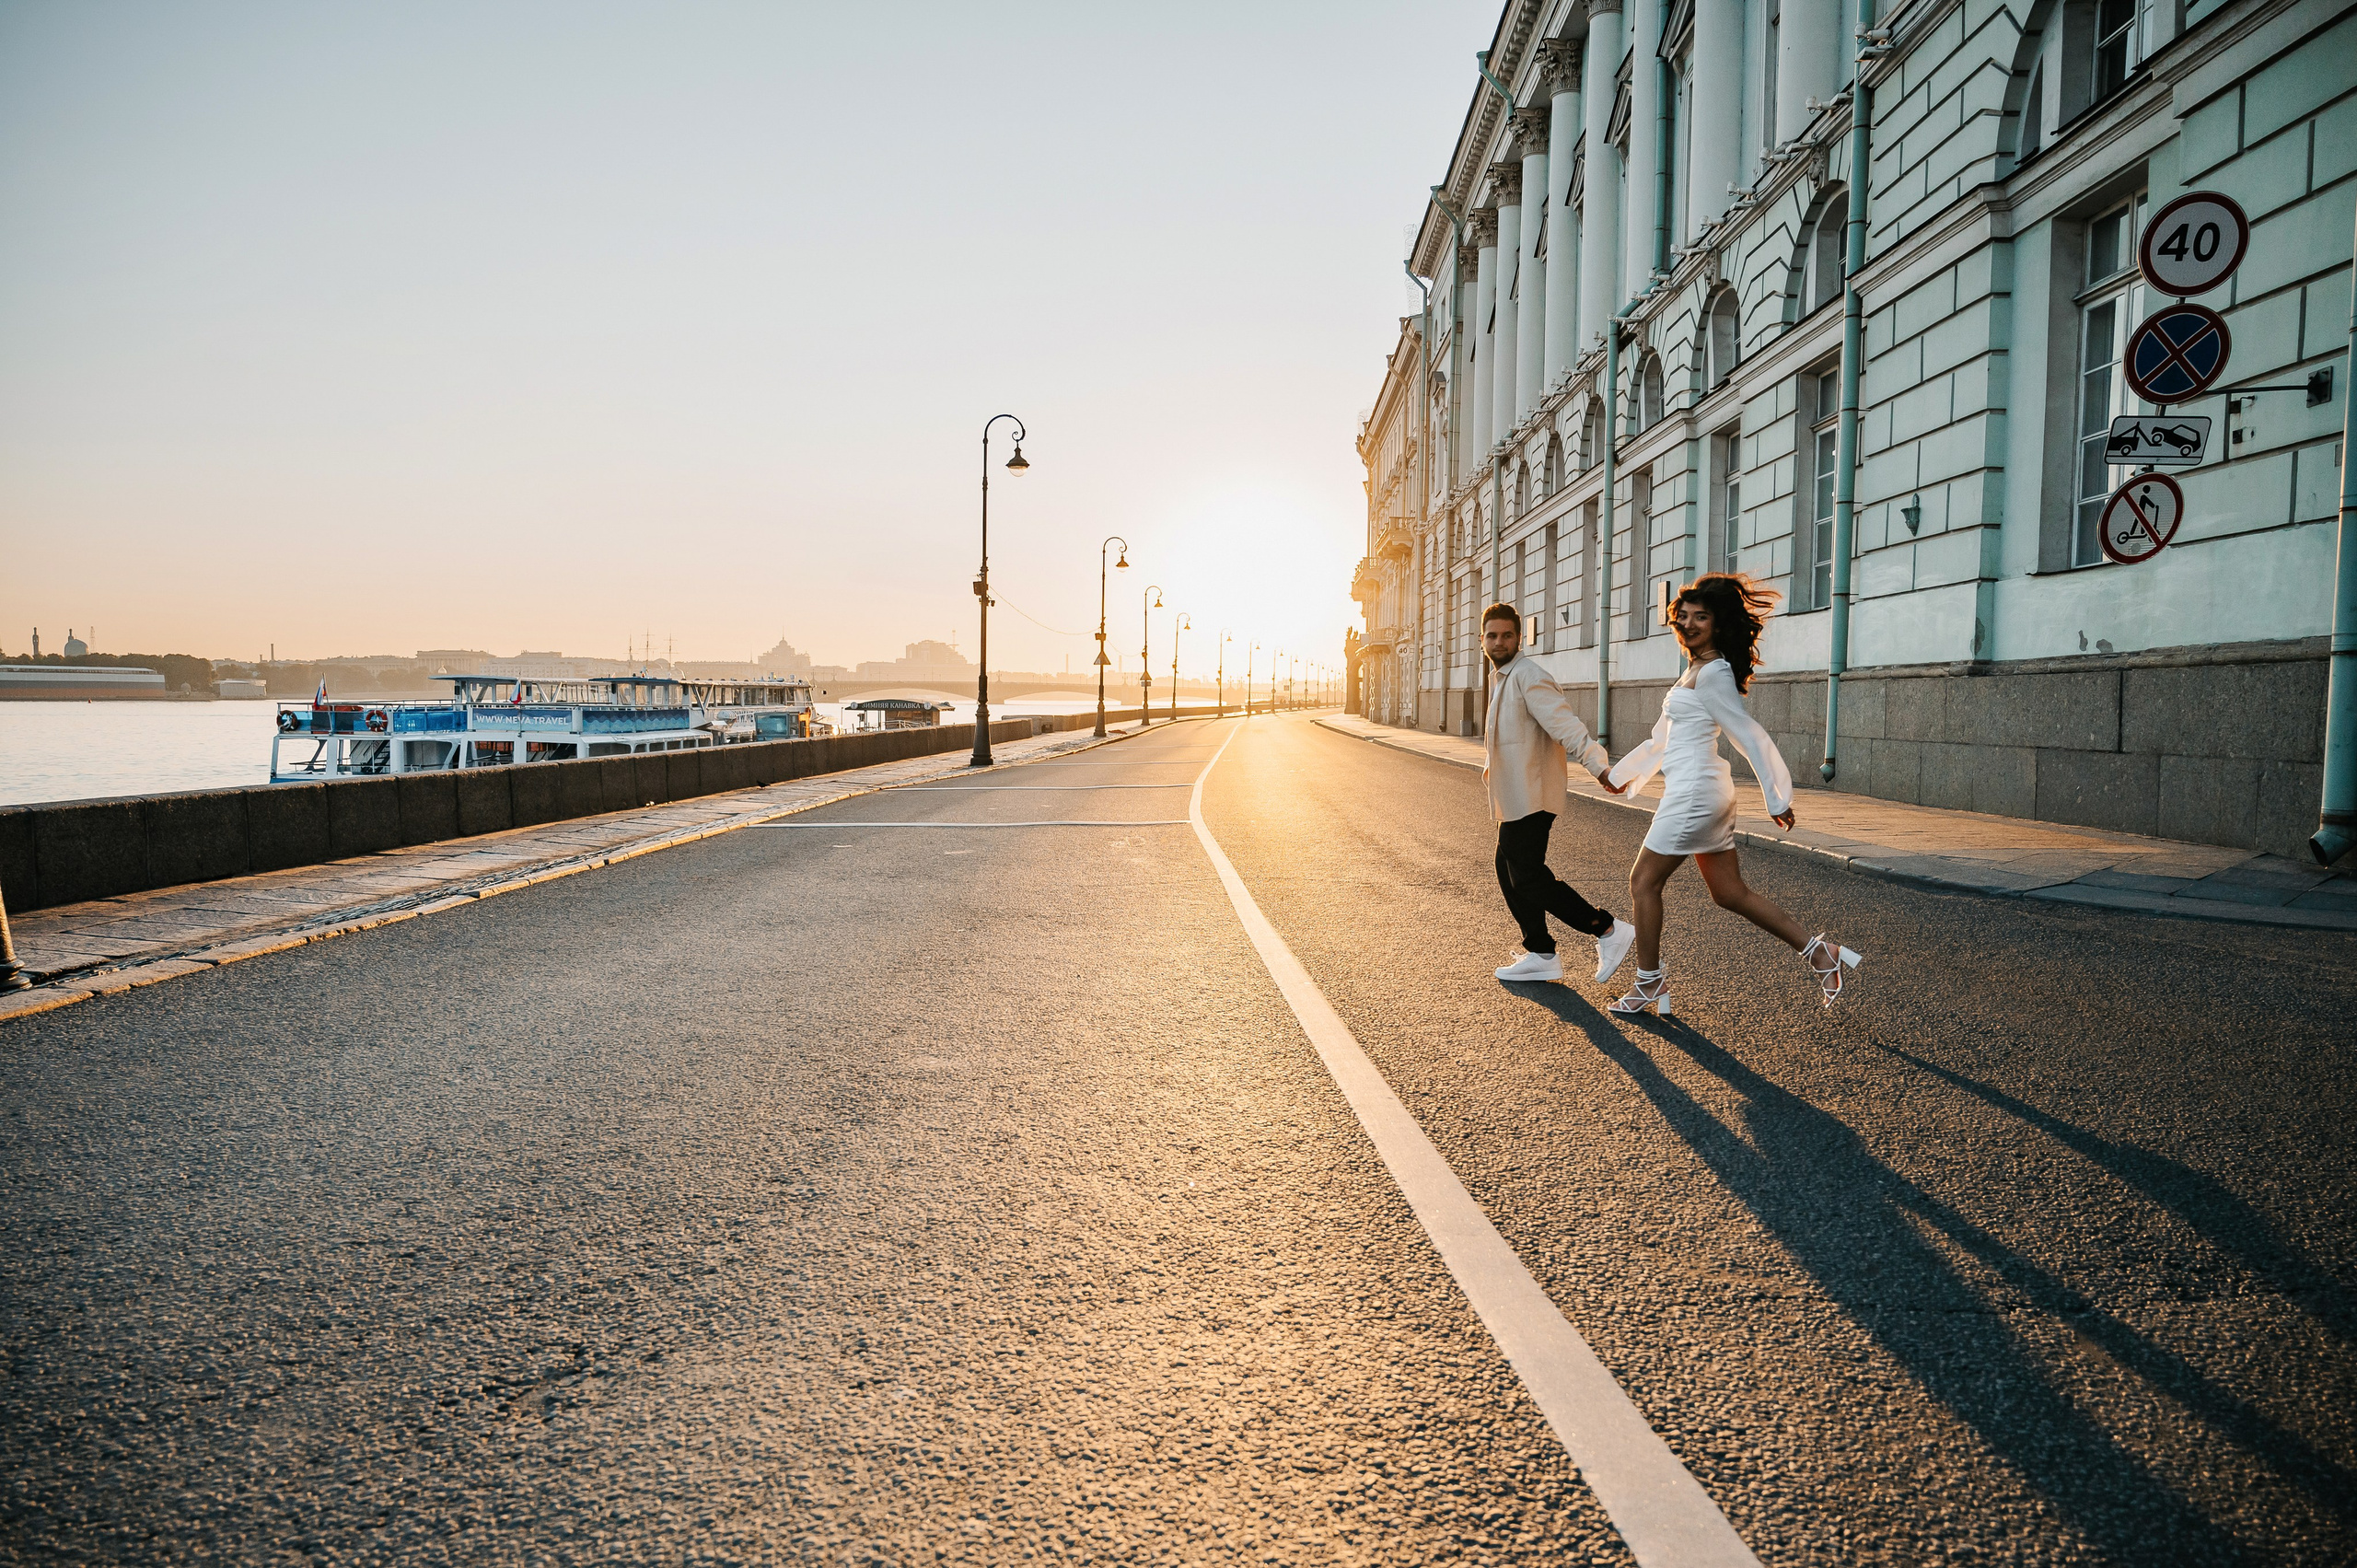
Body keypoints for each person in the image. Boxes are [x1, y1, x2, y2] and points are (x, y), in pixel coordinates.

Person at [1603, 575, 1861, 1013]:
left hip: (1694, 796)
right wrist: (1623, 774)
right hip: (1700, 792)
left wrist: (1777, 797)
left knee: (1643, 882)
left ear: (1718, 625)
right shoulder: (1694, 670)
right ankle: (1821, 952)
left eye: (1700, 617)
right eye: (1682, 616)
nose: (1688, 623)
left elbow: (1749, 735)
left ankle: (1649, 983)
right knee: (1730, 893)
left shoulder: (1714, 672)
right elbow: (1663, 738)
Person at [1479, 602, 1640, 986]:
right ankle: (1540, 951)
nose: (1499, 642)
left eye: (1507, 635)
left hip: (1532, 793)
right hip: (1516, 791)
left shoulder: (1529, 676)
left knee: (1528, 877)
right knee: (1509, 867)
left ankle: (1606, 929)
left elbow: (1565, 725)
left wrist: (1599, 766)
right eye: (1492, 635)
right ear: (1482, 639)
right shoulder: (1502, 676)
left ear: (1519, 638)